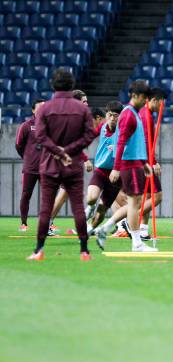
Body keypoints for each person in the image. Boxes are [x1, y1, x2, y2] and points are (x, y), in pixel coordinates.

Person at [27, 68, 97, 260]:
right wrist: (69, 151)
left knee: (45, 208)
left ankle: (39, 250)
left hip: (50, 165)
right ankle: (84, 251)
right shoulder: (82, 109)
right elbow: (89, 134)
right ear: (72, 85)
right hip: (73, 165)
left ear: (53, 85)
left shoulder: (45, 109)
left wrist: (58, 152)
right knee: (77, 209)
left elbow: (40, 136)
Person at [99, 80, 157, 252]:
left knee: (135, 203)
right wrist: (116, 168)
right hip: (128, 166)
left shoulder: (134, 114)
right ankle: (136, 243)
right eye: (144, 97)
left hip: (135, 164)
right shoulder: (129, 114)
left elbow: (134, 143)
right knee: (134, 203)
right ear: (135, 96)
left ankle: (106, 228)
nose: (146, 101)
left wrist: (144, 163)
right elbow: (121, 141)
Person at [47, 90, 97, 234]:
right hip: (65, 160)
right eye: (84, 101)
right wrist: (86, 160)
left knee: (65, 194)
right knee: (64, 194)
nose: (87, 104)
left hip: (64, 159)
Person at [85, 101, 123, 232]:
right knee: (91, 198)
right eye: (110, 115)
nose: (112, 118)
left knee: (102, 209)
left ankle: (89, 230)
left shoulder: (124, 130)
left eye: (116, 115)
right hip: (101, 170)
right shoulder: (101, 127)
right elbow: (88, 137)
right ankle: (89, 208)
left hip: (117, 174)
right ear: (106, 115)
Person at [138, 87, 167, 240]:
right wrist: (153, 162)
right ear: (155, 100)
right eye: (161, 102)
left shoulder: (146, 113)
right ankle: (131, 220)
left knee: (148, 195)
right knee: (158, 196)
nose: (162, 106)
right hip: (145, 162)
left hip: (144, 160)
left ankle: (143, 229)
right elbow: (146, 142)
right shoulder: (146, 116)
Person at [15, 98, 45, 231]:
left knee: (47, 196)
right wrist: (27, 157)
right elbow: (18, 145)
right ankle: (24, 223)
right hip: (30, 168)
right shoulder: (26, 126)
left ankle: (46, 223)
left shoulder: (50, 126)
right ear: (33, 110)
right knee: (26, 194)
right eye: (39, 108)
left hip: (46, 168)